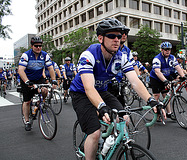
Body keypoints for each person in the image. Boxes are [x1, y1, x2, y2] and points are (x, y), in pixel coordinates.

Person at [69, 18, 163, 160]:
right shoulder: (88, 55)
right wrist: (101, 106)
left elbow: (135, 81)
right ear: (101, 38)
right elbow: (89, 88)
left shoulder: (121, 57)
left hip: (101, 91)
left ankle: (106, 144)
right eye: (112, 36)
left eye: (119, 36)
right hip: (81, 93)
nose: (117, 39)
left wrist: (151, 100)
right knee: (94, 132)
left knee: (125, 119)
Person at [18, 36, 57, 131]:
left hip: (38, 78)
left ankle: (41, 103)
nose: (38, 47)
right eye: (36, 46)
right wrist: (26, 81)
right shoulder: (26, 55)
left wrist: (54, 79)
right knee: (27, 101)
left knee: (45, 90)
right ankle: (27, 121)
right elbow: (21, 70)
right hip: (27, 79)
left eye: (40, 46)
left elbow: (50, 68)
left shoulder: (45, 55)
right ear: (32, 46)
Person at [150, 41, 186, 120]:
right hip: (155, 78)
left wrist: (183, 76)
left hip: (165, 77)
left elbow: (178, 67)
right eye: (165, 49)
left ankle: (169, 113)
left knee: (166, 95)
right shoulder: (157, 59)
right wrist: (165, 81)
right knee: (156, 95)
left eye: (169, 49)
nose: (167, 51)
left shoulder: (172, 58)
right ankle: (155, 114)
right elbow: (157, 72)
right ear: (162, 50)